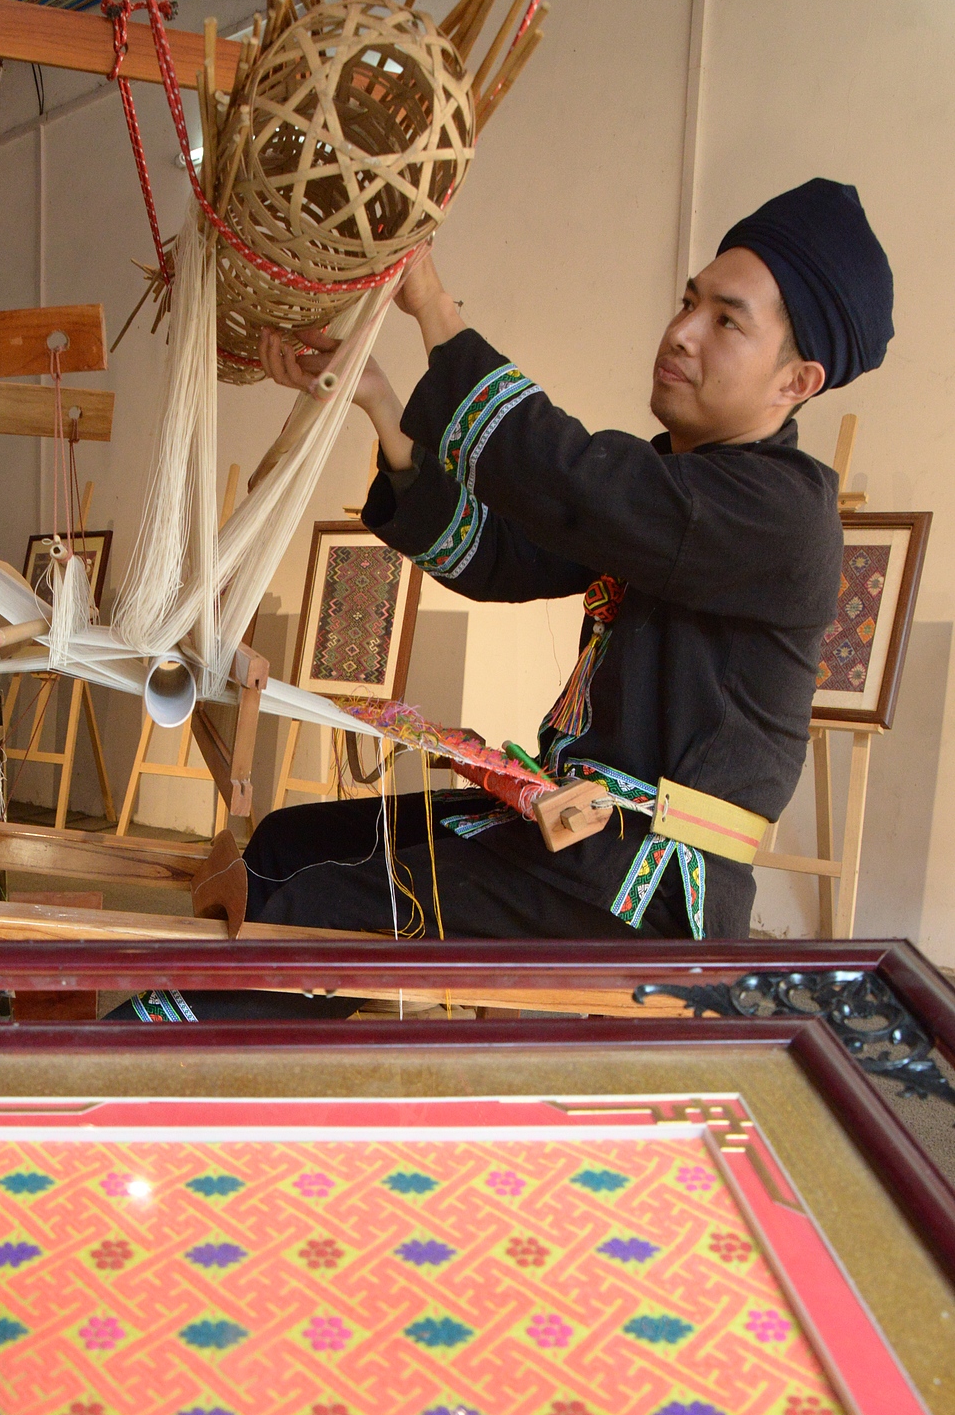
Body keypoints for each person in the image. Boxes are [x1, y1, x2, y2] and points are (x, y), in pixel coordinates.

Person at [240, 176, 893, 946]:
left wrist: (432, 306)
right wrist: (379, 402)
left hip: (646, 885)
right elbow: (500, 558)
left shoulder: (781, 511)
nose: (683, 332)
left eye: (725, 321)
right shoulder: (678, 489)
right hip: (576, 836)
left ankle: (149, 1055)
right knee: (286, 846)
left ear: (796, 381)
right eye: (688, 302)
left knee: (311, 916)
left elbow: (572, 480)